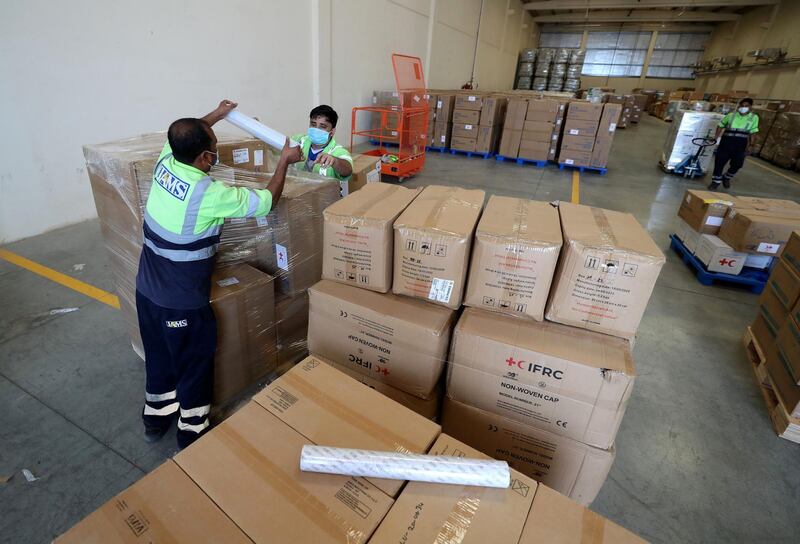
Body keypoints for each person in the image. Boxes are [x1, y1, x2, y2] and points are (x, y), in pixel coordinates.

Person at [136, 99, 302, 449]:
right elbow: (267, 201)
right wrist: (284, 161)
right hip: (180, 300)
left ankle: (156, 416)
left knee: (159, 353)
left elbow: (189, 129)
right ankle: (192, 429)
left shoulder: (167, 159)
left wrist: (217, 113)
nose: (215, 153)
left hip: (146, 287)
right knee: (194, 360)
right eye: (213, 148)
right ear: (204, 158)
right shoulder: (209, 194)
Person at [709, 98, 759, 190]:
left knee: (738, 164)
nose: (743, 108)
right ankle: (715, 181)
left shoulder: (754, 118)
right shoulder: (731, 115)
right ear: (739, 106)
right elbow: (720, 125)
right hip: (726, 142)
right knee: (719, 162)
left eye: (746, 106)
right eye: (742, 106)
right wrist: (715, 137)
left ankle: (727, 177)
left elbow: (753, 132)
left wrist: (752, 145)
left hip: (741, 144)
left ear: (750, 107)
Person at [292, 105, 353, 180]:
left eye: (322, 126)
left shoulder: (337, 151)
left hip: (322, 191)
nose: (316, 129)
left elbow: (348, 171)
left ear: (332, 132)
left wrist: (335, 161)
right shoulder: (299, 140)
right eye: (313, 124)